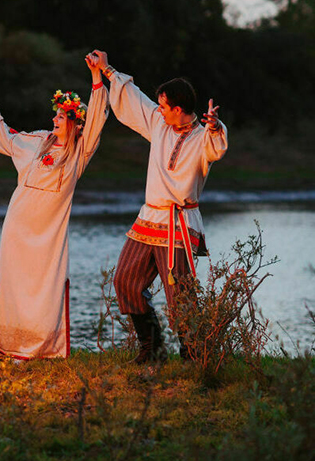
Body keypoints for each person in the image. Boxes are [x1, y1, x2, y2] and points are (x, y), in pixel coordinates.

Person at [0, 53, 109, 359]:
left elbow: (97, 119)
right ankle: (9, 345)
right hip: (18, 226)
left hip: (48, 233)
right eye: (56, 115)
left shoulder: (78, 152)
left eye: (61, 116)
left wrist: (97, 78)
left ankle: (42, 346)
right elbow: (8, 138)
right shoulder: (38, 141)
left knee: (44, 288)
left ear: (73, 122)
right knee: (14, 285)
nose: (54, 120)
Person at [92, 49, 228, 364]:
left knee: (179, 294)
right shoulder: (158, 124)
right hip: (149, 217)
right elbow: (134, 100)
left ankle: (192, 354)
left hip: (180, 222)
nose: (160, 110)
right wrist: (107, 68)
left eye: (165, 107)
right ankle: (151, 348)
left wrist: (216, 125)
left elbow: (218, 146)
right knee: (125, 279)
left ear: (179, 109)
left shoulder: (202, 138)